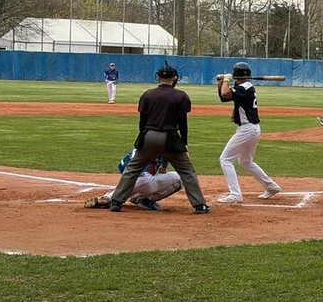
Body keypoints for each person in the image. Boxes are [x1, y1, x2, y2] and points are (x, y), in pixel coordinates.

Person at [109, 63, 211, 214]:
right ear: (174, 78)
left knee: (132, 169)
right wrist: (184, 144)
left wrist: (142, 138)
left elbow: (142, 121)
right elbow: (183, 123)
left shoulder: (148, 94)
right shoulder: (181, 96)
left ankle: (116, 201)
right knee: (187, 171)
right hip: (171, 138)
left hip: (149, 135)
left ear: (158, 78)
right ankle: (199, 205)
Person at [215, 61, 281, 204]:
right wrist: (220, 82)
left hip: (247, 129)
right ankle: (271, 186)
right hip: (251, 129)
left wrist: (226, 80)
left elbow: (226, 93)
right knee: (245, 161)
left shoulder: (244, 88)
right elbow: (224, 97)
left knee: (225, 159)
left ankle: (235, 194)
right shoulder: (244, 87)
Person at [84, 148, 183, 211]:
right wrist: (163, 168)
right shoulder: (160, 142)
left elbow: (121, 167)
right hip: (145, 181)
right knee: (181, 178)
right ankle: (145, 200)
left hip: (128, 180)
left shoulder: (138, 146)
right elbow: (165, 160)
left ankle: (109, 197)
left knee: (125, 189)